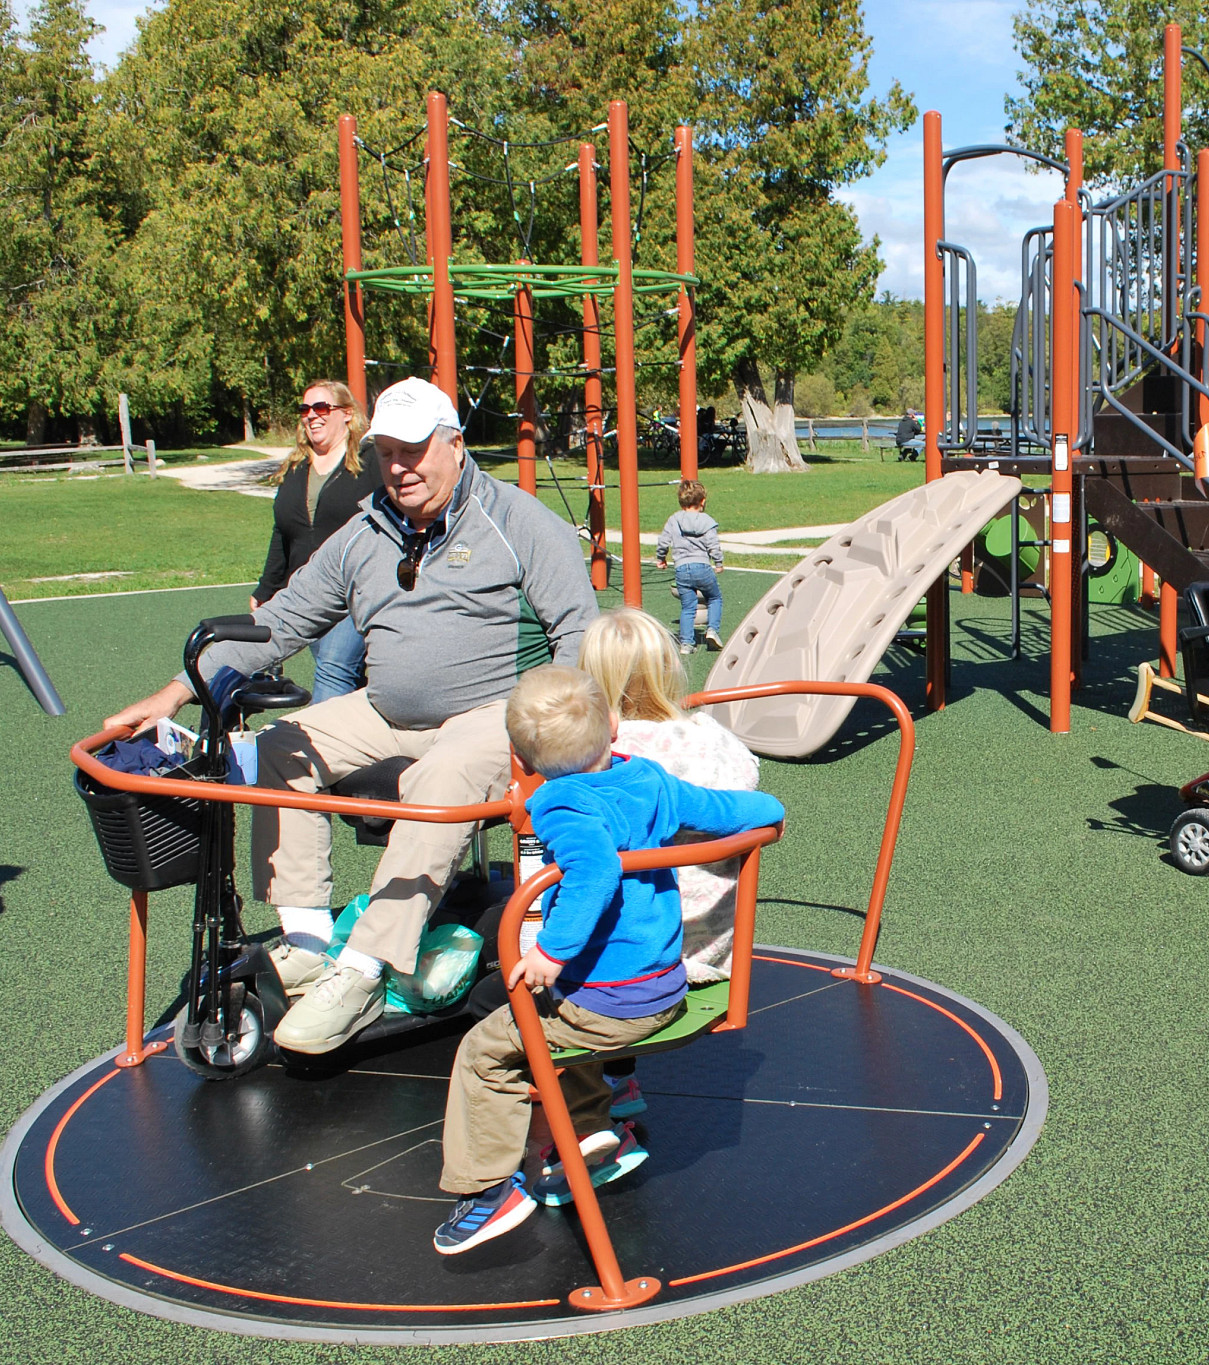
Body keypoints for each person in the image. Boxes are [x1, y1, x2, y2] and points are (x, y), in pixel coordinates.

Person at [103, 376, 599, 1054]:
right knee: (282, 744)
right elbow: (279, 623)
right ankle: (308, 941)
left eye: (416, 449)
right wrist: (175, 693)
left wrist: (561, 730)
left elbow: (578, 633)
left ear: (456, 445)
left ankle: (364, 971)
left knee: (442, 777)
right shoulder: (365, 531)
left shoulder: (518, 522)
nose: (401, 466)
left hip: (494, 710)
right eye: (388, 452)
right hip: (388, 708)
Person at [431, 664, 784, 1254]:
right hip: (663, 987)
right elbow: (729, 811)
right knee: (551, 1014)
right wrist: (770, 809)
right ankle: (596, 1132)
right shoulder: (648, 781)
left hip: (607, 1005)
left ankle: (490, 1191)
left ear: (523, 755)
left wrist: (551, 950)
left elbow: (593, 871)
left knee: (486, 1052)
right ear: (615, 726)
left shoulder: (560, 805)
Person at [580, 607, 762, 1119]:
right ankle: (620, 1079)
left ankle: (586, 1097)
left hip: (645, 948)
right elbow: (747, 780)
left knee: (552, 915)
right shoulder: (712, 736)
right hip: (715, 941)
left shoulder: (606, 754)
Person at [252, 380, 383, 702]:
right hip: (309, 593)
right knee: (346, 675)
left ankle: (324, 748)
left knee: (335, 668)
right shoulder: (297, 468)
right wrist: (266, 589)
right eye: (305, 409)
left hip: (356, 592)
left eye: (322, 408)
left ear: (347, 414)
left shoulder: (369, 464)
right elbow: (283, 532)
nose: (312, 416)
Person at [655, 479, 725, 654]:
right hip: (702, 566)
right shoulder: (707, 521)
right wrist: (718, 562)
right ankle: (712, 630)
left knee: (688, 606)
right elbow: (713, 544)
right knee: (714, 598)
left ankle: (686, 643)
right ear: (702, 501)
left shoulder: (674, 520)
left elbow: (663, 541)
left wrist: (661, 558)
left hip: (682, 569)